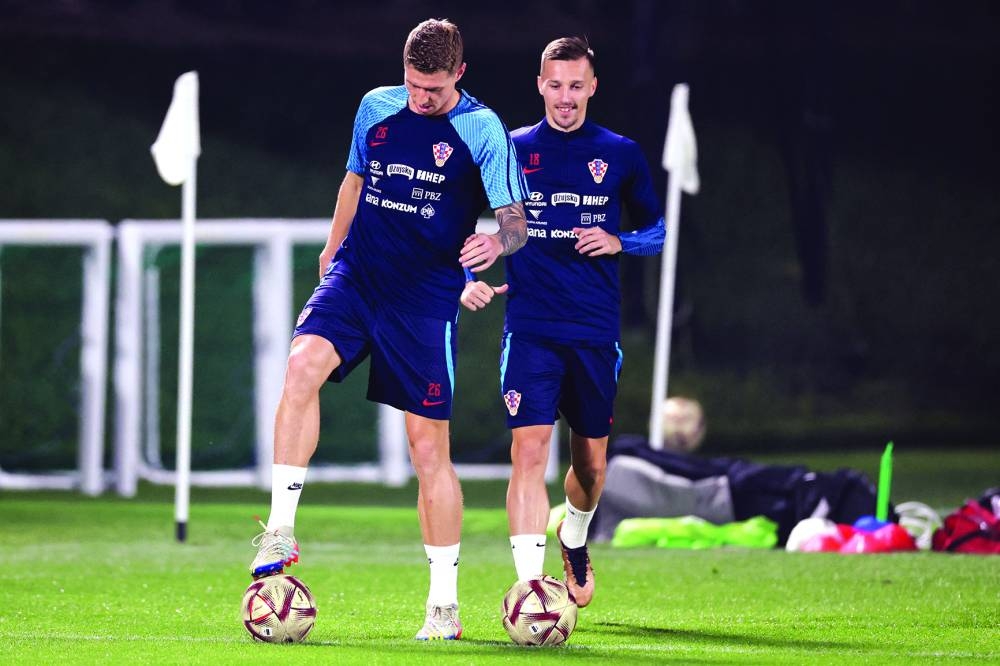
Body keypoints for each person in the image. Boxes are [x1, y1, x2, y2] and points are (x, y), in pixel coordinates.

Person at [250, 18, 528, 641]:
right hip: (359, 276)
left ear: (459, 73)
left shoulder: (481, 129)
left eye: (432, 88)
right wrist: (331, 248)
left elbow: (517, 223)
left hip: (424, 298)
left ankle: (443, 606)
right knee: (301, 366)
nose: (420, 99)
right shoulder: (377, 106)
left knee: (428, 449)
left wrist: (494, 243)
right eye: (412, 85)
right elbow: (354, 178)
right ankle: (280, 529)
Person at [461, 36, 665, 608]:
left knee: (591, 465)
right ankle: (530, 586)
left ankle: (573, 537)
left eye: (576, 85)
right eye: (556, 84)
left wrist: (617, 239)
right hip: (530, 327)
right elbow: (465, 223)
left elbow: (658, 231)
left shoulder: (620, 153)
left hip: (595, 332)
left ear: (593, 86)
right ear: (540, 85)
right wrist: (470, 276)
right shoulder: (513, 148)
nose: (566, 97)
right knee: (528, 453)